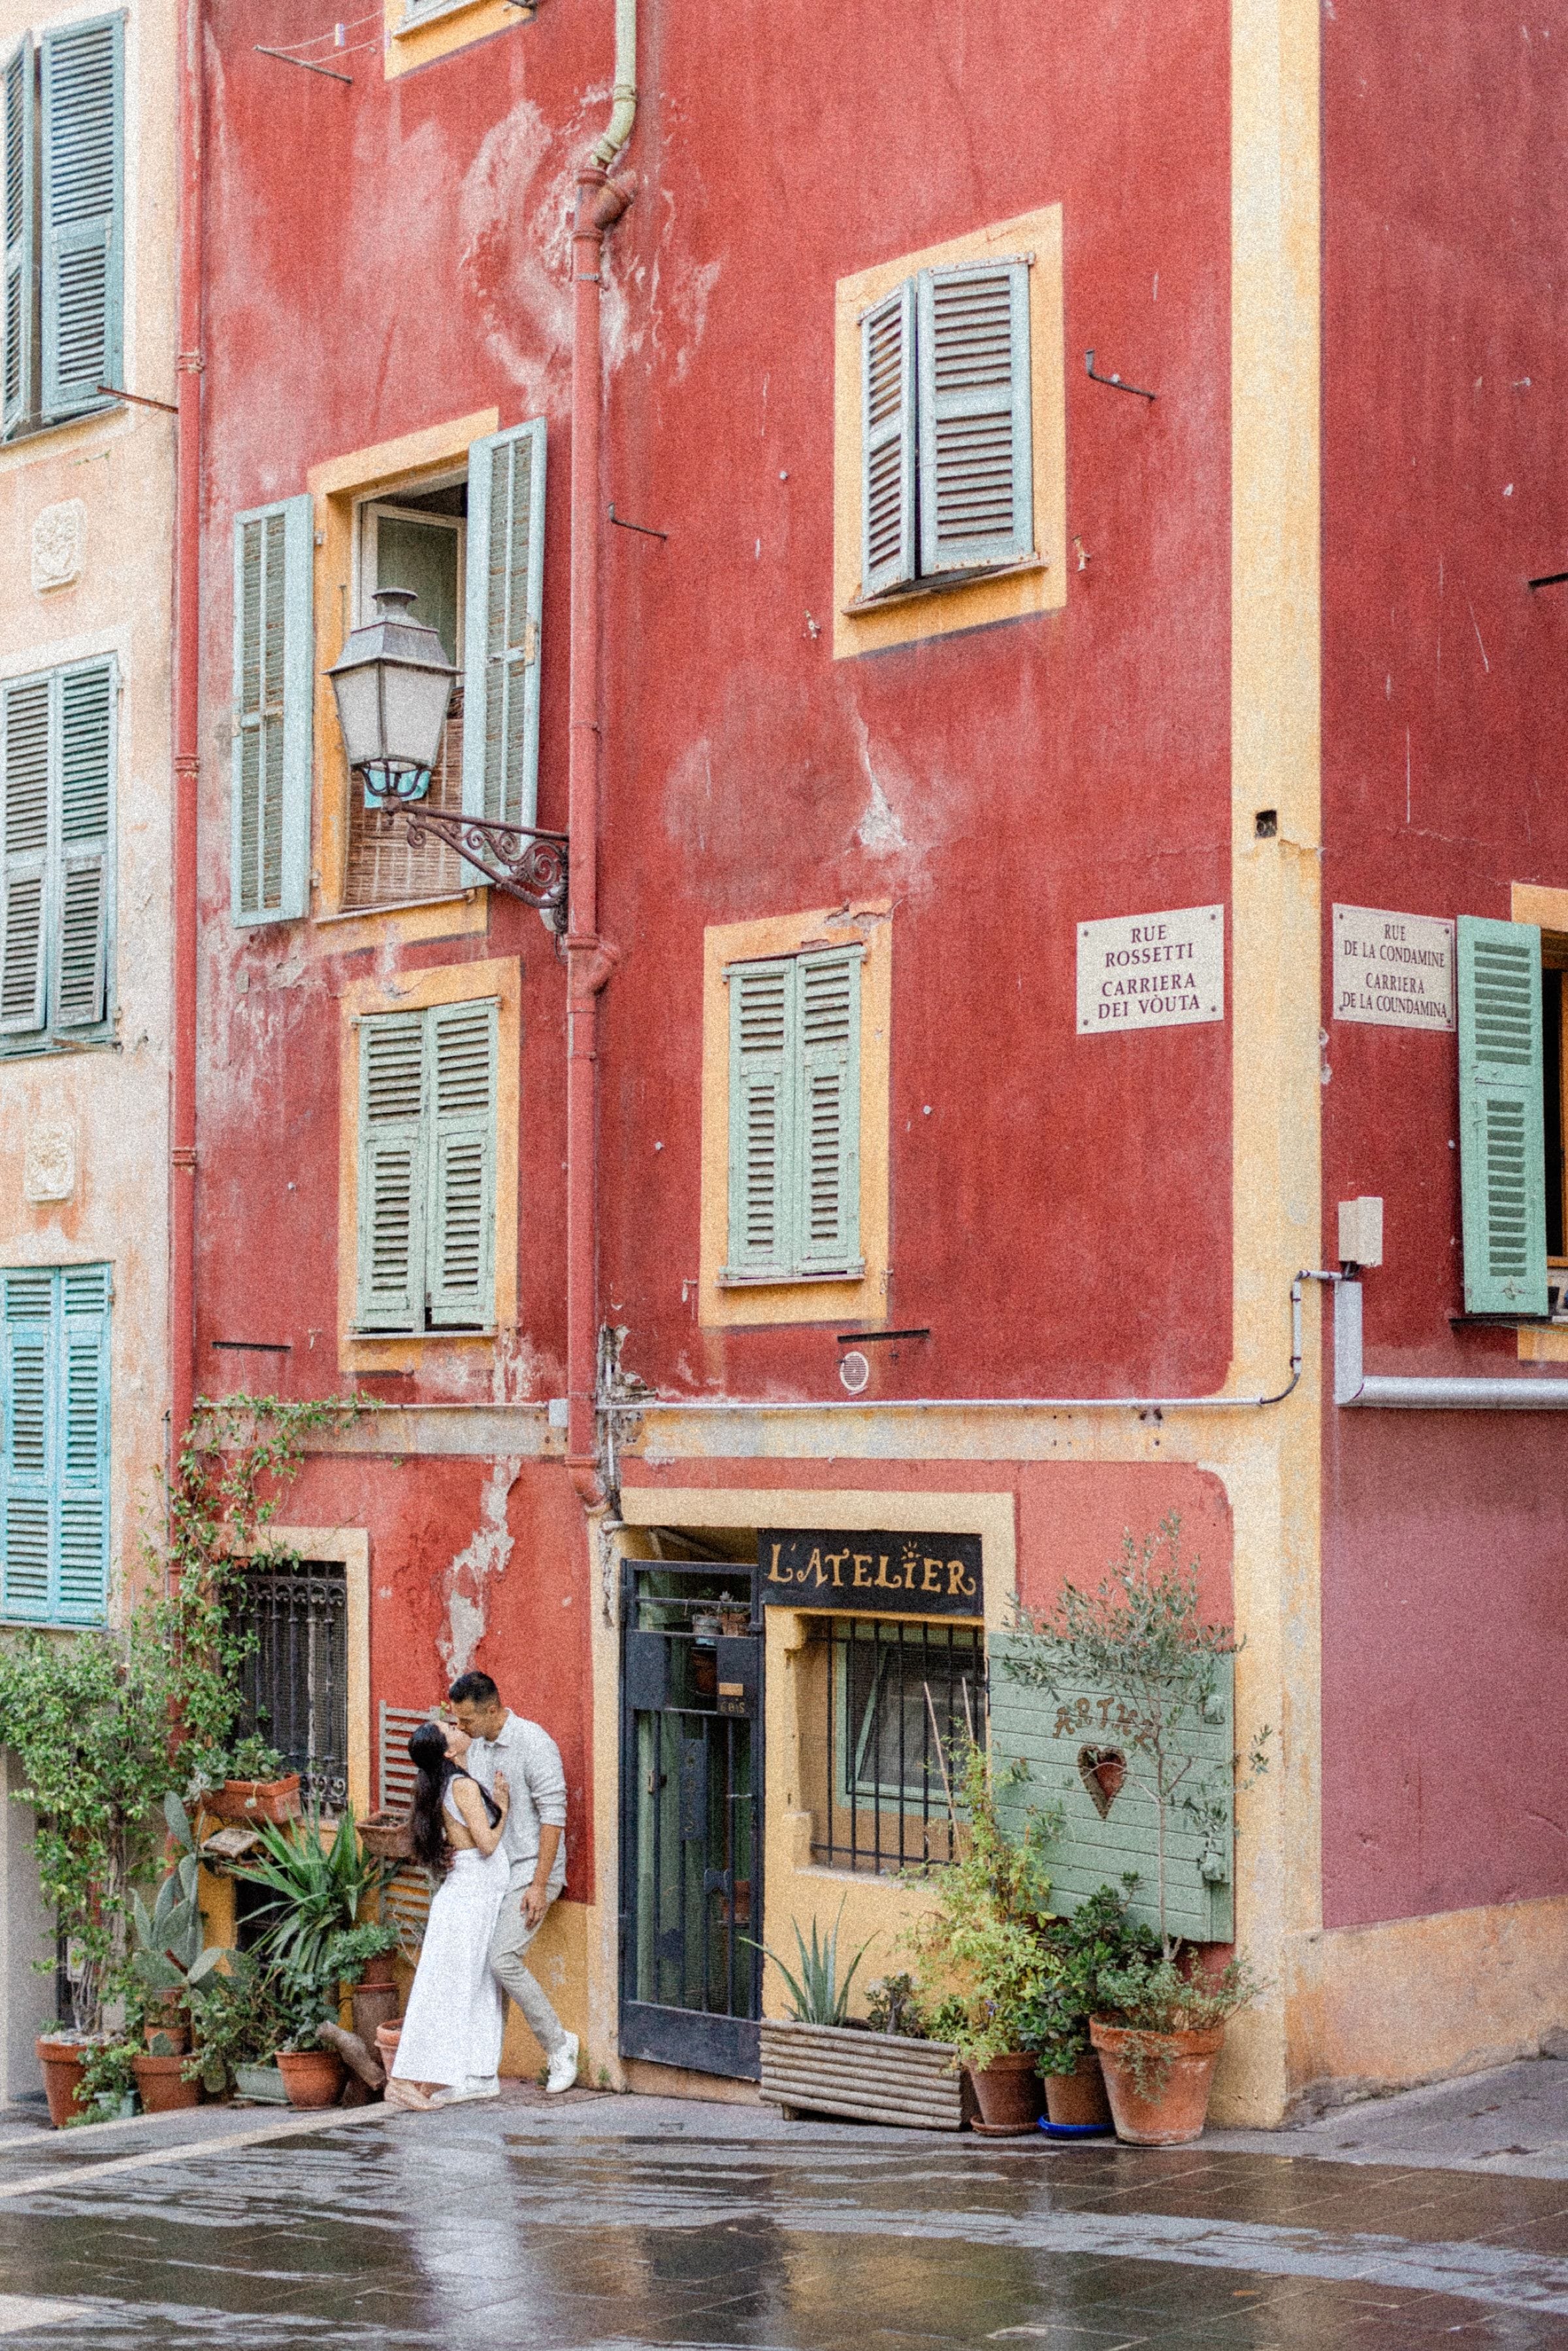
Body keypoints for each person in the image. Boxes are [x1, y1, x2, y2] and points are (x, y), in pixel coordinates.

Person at [447, 1668, 579, 2094]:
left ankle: (561, 2047)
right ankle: (481, 2073)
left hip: (531, 1869)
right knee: (485, 1970)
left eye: (466, 1720)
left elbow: (554, 1816)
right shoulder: (481, 1747)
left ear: (492, 1710)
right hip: (496, 1871)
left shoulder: (534, 1743)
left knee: (502, 1960)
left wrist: (540, 1884)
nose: (461, 1728)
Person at [385, 1721, 512, 2111]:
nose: (458, 1727)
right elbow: (488, 1844)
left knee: (475, 1985)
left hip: (472, 1895)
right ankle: (403, 2080)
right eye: (449, 1728)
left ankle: (475, 2074)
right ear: (448, 1751)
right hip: (470, 1897)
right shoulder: (463, 1786)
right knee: (450, 1988)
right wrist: (504, 1808)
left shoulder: (446, 1784)